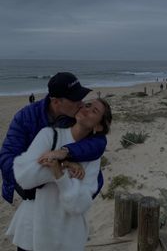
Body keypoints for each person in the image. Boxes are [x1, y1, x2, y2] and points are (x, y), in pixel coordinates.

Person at [6, 98, 112, 251]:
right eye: (87, 105)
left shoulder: (93, 155)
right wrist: (64, 167)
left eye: (94, 111)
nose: (87, 109)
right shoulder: (49, 135)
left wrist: (60, 173)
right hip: (32, 230)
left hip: (67, 236)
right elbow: (24, 178)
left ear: (99, 126)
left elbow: (78, 205)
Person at [0, 72, 107, 205]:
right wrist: (34, 180)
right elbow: (6, 157)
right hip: (29, 193)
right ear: (56, 101)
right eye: (75, 99)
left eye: (81, 97)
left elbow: (99, 142)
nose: (81, 104)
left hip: (64, 196)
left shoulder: (77, 116)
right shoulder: (25, 117)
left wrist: (67, 153)